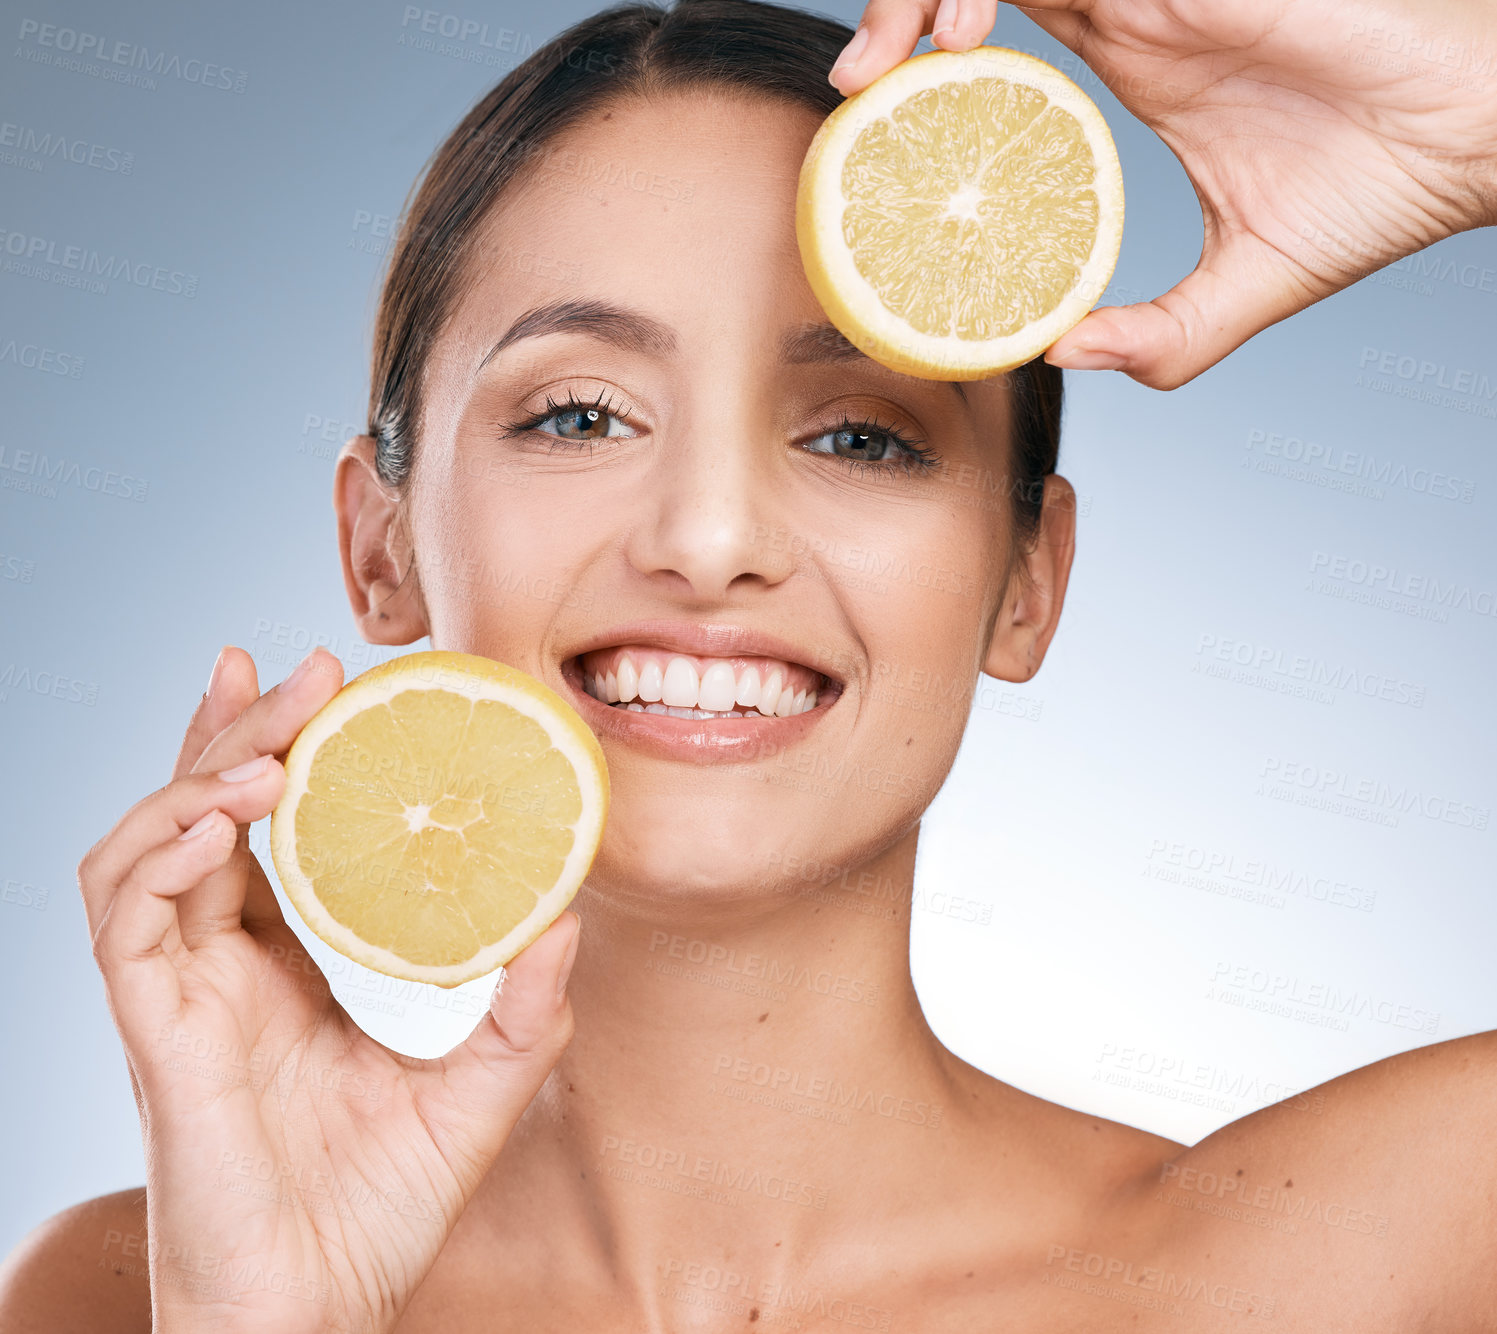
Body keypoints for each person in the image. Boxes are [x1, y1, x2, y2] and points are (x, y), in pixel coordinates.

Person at [1, 1, 1492, 1330]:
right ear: (376, 545)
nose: (710, 539)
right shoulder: (118, 1297)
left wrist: (1465, 99)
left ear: (1025, 580)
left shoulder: (1386, 1252)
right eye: (580, 415)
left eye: (860, 433)